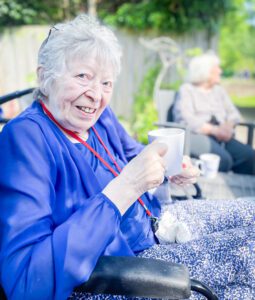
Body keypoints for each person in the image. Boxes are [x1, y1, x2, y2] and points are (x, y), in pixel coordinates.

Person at [0, 15, 254, 300]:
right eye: (83, 76)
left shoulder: (96, 117)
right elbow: (25, 282)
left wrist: (170, 168)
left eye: (106, 83)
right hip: (126, 267)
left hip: (159, 221)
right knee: (249, 254)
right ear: (45, 76)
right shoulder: (25, 138)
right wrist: (125, 189)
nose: (96, 95)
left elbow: (134, 153)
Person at [173, 52, 255, 174]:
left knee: (249, 156)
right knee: (223, 160)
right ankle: (214, 190)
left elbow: (234, 114)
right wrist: (214, 130)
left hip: (222, 135)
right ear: (205, 71)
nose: (220, 71)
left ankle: (240, 189)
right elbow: (185, 118)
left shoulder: (219, 91)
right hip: (198, 135)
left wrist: (228, 125)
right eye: (217, 68)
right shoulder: (187, 90)